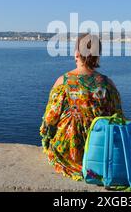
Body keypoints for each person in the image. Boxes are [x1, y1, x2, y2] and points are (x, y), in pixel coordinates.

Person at [40, 33, 122, 180]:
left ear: (77, 53)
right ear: (97, 55)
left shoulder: (63, 82)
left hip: (70, 151)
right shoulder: (107, 83)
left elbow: (50, 119)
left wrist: (48, 136)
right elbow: (118, 117)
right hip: (99, 148)